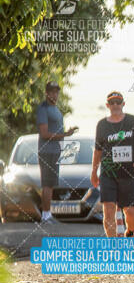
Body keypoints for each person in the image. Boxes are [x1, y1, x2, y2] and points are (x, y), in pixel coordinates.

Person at [91, 91, 134, 237]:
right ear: (107, 105)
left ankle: (130, 231)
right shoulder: (102, 125)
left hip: (129, 173)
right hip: (108, 173)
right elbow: (97, 151)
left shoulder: (132, 121)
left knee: (132, 213)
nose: (115, 105)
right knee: (108, 211)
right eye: (112, 102)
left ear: (123, 104)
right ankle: (113, 246)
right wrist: (94, 172)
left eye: (118, 102)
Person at [36, 81, 78, 224]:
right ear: (46, 93)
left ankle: (48, 214)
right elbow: (44, 133)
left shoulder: (56, 109)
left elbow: (57, 131)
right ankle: (45, 215)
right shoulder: (43, 108)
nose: (54, 94)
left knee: (52, 183)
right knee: (47, 183)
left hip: (56, 151)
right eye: (52, 91)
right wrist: (65, 134)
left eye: (56, 92)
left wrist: (66, 133)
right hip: (47, 151)